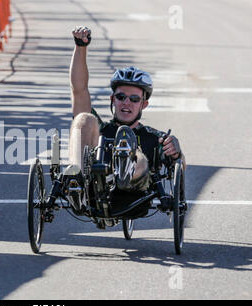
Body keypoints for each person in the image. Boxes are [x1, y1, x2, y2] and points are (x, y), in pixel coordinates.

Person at [65, 26, 186, 213]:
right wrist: (81, 47)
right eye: (121, 97)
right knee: (83, 120)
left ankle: (124, 170)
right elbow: (78, 90)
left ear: (143, 104)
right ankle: (77, 179)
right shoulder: (100, 130)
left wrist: (178, 153)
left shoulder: (154, 137)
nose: (126, 103)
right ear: (113, 100)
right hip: (94, 193)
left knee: (138, 156)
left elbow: (180, 166)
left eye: (134, 99)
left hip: (135, 197)